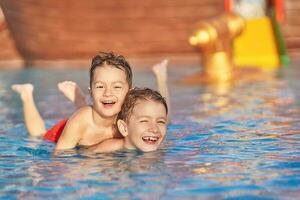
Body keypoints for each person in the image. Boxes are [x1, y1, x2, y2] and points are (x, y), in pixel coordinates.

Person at [11, 52, 170, 150]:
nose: (108, 92)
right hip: (63, 133)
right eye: (100, 86)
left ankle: (79, 101)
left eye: (116, 87)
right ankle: (27, 94)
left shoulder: (129, 115)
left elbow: (159, 112)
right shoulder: (80, 120)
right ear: (91, 90)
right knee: (38, 134)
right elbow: (60, 155)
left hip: (92, 122)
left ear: (129, 91)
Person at [86, 87, 168, 153]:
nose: (154, 129)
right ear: (124, 128)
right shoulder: (110, 148)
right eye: (144, 121)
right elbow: (88, 155)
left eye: (160, 122)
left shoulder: (161, 150)